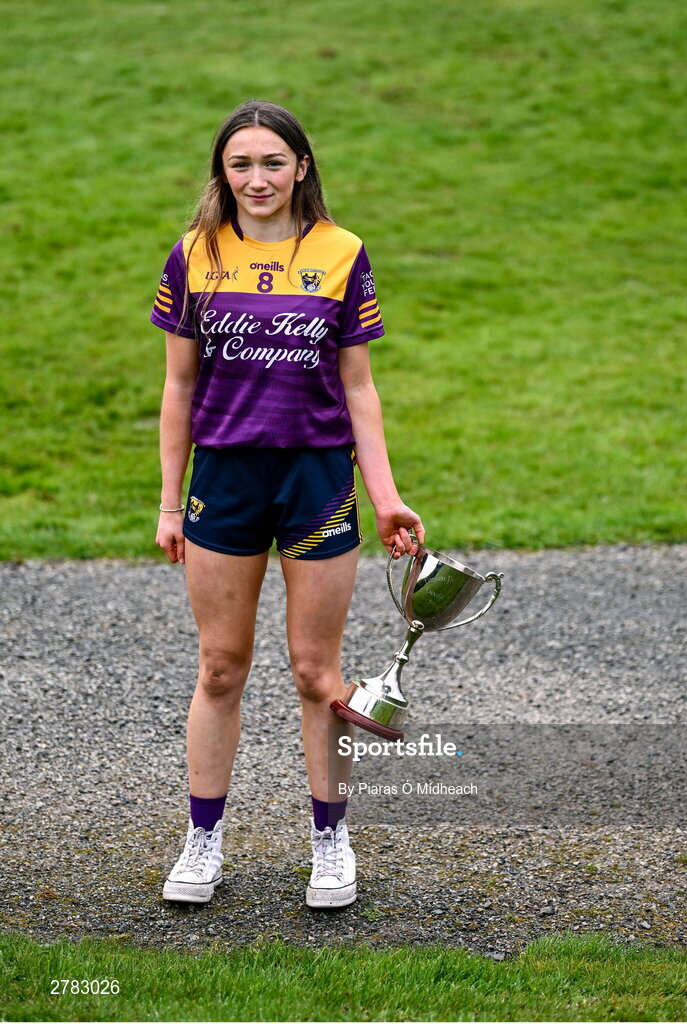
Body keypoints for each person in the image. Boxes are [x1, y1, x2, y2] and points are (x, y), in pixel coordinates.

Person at [151, 99, 424, 909]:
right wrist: (169, 503)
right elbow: (177, 388)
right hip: (225, 482)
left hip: (314, 481)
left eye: (273, 162)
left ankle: (330, 842)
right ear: (221, 173)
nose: (257, 178)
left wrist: (386, 498)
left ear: (301, 167)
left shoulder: (342, 253)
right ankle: (202, 840)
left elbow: (359, 389)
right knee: (220, 666)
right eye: (241, 164)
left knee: (316, 674)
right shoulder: (194, 255)